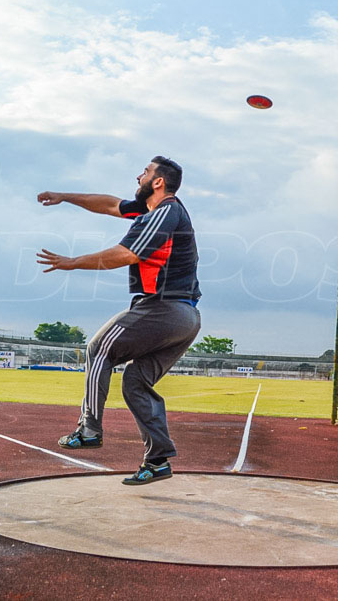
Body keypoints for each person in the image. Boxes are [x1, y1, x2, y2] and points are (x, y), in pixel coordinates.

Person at [36, 156, 201, 486]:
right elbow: (111, 205)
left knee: (99, 349)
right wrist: (65, 196)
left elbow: (127, 254)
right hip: (185, 318)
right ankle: (157, 461)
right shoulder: (151, 211)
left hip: (162, 309)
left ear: (157, 182)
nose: (138, 176)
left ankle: (89, 428)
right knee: (136, 382)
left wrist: (73, 262)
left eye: (145, 172)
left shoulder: (166, 211)